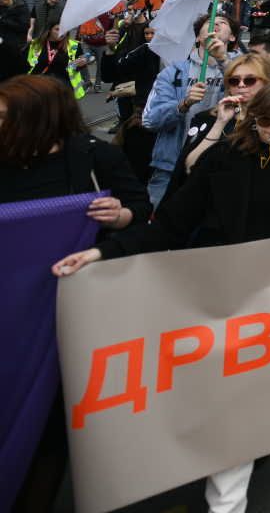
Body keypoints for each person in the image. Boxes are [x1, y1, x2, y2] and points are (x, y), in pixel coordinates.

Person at [53, 78, 270, 513]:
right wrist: (102, 252)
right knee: (227, 400)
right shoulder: (224, 158)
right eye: (266, 119)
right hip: (220, 296)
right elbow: (170, 223)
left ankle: (229, 489)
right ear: (251, 117)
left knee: (250, 401)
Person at [1, 76, 150, 510]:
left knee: (49, 427)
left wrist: (118, 219)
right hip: (11, 317)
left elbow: (142, 217)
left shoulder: (93, 157)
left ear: (38, 119)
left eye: (6, 118)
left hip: (69, 319)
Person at [143, 14, 238, 207]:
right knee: (157, 224)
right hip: (171, 166)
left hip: (222, 167)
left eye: (223, 22)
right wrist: (182, 105)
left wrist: (223, 61)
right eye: (209, 23)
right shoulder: (173, 72)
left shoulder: (246, 72)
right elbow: (151, 121)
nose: (216, 24)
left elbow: (256, 103)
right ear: (197, 37)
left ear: (233, 37)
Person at [164, 53, 270, 203]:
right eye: (234, 81)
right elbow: (190, 167)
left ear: (266, 83)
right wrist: (220, 123)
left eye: (249, 80)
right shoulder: (207, 118)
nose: (241, 85)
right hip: (208, 203)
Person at [102, 18, 163, 180]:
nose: (150, 37)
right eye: (146, 34)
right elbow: (111, 74)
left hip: (173, 119)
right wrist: (110, 49)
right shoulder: (144, 51)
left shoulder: (184, 53)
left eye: (153, 33)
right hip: (144, 119)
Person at [27, 23, 93, 98]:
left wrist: (81, 64)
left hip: (63, 89)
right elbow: (27, 66)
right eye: (57, 29)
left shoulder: (74, 45)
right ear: (49, 30)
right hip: (40, 89)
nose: (61, 33)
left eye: (63, 30)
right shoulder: (36, 44)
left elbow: (75, 68)